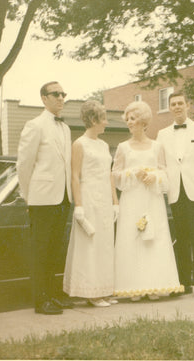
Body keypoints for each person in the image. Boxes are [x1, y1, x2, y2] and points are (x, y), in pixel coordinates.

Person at [112, 101, 183, 301]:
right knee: (132, 238)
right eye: (127, 119)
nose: (129, 123)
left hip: (152, 198)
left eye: (132, 119)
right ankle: (133, 287)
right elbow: (115, 174)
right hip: (132, 199)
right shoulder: (122, 147)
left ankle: (155, 285)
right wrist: (132, 173)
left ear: (143, 121)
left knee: (154, 238)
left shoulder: (157, 146)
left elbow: (165, 172)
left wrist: (155, 177)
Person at [17, 81, 73, 315]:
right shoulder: (34, 125)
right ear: (44, 98)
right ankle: (41, 300)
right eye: (55, 94)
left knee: (54, 250)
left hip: (63, 198)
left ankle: (52, 294)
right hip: (42, 199)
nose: (60, 98)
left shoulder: (65, 128)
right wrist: (29, 197)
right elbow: (24, 165)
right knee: (41, 251)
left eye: (63, 94)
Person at [156, 90, 194, 299]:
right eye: (173, 104)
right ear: (170, 108)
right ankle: (184, 283)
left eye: (180, 103)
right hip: (175, 193)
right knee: (181, 240)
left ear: (188, 105)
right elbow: (161, 165)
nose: (177, 107)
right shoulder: (162, 134)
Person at [63, 100, 120, 307]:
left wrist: (115, 201)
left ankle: (103, 290)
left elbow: (109, 174)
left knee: (104, 244)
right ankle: (90, 292)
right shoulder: (79, 144)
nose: (106, 123)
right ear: (94, 119)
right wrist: (78, 206)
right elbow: (75, 176)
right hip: (88, 197)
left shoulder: (104, 145)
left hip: (104, 197)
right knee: (91, 244)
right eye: (103, 119)